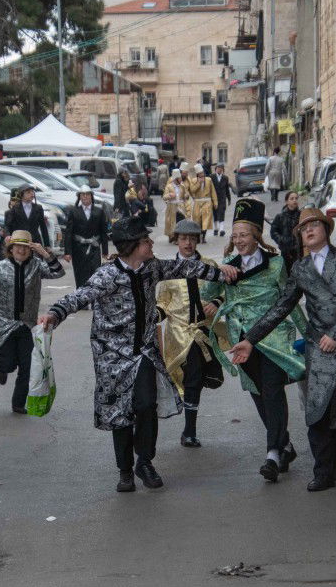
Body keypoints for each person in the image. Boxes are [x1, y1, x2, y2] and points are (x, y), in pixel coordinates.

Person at [38, 216, 238, 493]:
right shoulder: (107, 275)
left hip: (144, 352)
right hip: (112, 357)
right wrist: (53, 314)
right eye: (146, 241)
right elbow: (79, 296)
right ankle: (125, 471)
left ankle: (145, 461)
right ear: (132, 246)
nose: (152, 243)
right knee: (121, 414)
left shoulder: (151, 268)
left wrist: (221, 272)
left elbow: (183, 266)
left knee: (146, 405)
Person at [230, 207, 336, 491]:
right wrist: (251, 339)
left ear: (326, 229)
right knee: (317, 410)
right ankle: (322, 471)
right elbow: (281, 307)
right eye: (303, 228)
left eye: (314, 225)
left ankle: (333, 461)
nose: (308, 231)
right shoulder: (300, 269)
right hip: (317, 346)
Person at [203, 198, 307, 483]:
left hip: (273, 337)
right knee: (259, 393)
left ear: (257, 236)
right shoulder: (227, 265)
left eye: (244, 235)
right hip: (240, 339)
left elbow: (290, 302)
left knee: (273, 389)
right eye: (235, 236)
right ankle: (285, 445)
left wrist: (309, 333)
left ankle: (273, 452)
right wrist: (215, 296)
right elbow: (206, 293)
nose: (239, 241)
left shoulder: (275, 265)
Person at [0, 231, 65, 413]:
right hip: (3, 325)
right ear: (11, 248)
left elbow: (59, 272)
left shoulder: (37, 266)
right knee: (8, 364)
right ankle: (2, 369)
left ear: (30, 249)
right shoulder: (0, 267)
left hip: (27, 325)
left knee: (27, 366)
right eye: (18, 246)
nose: (21, 250)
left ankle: (18, 403)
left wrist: (45, 254)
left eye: (25, 247)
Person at [155, 219, 224, 448]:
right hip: (179, 334)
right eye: (184, 238)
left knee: (200, 378)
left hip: (203, 331)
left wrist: (216, 301)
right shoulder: (168, 271)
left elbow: (225, 290)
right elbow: (163, 304)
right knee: (189, 379)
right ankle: (188, 429)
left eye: (192, 239)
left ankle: (189, 429)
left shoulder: (209, 265)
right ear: (177, 241)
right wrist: (151, 319)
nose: (188, 243)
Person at [62, 188, 109, 288]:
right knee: (80, 276)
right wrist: (67, 252)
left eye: (87, 194)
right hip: (78, 249)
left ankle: (94, 300)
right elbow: (69, 232)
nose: (85, 196)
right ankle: (81, 299)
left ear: (91, 196)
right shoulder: (74, 212)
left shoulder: (99, 211)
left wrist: (105, 251)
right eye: (82, 194)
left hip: (94, 248)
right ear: (79, 197)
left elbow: (103, 232)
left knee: (95, 276)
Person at [270, 190, 303, 272]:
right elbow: (273, 232)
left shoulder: (302, 215)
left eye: (296, 198)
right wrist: (281, 240)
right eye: (292, 198)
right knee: (287, 273)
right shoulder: (280, 217)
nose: (295, 200)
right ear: (286, 201)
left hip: (300, 250)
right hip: (286, 251)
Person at [185, 164, 217, 241]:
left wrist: (215, 202)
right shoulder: (193, 181)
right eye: (200, 174)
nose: (202, 175)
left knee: (206, 220)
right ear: (197, 174)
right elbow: (192, 190)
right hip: (197, 202)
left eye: (202, 173)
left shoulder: (208, 180)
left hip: (207, 202)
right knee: (197, 220)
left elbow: (213, 192)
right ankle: (198, 235)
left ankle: (204, 236)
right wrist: (199, 183)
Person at [162, 168, 189, 239]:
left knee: (181, 221)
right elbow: (164, 197)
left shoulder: (182, 186)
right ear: (176, 178)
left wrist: (186, 196)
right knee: (172, 222)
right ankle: (173, 236)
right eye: (179, 178)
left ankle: (179, 237)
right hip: (172, 207)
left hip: (181, 206)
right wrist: (169, 195)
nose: (181, 179)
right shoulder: (169, 186)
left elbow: (185, 195)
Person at [210, 163, 232, 237]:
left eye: (221, 168)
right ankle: (216, 228)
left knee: (221, 213)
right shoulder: (211, 177)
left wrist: (229, 199)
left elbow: (227, 189)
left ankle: (222, 229)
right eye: (218, 168)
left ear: (222, 170)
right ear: (215, 169)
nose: (219, 169)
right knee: (215, 213)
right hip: (214, 198)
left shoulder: (225, 178)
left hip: (222, 199)